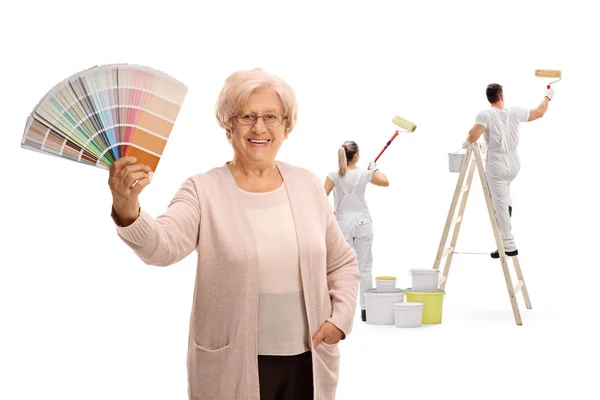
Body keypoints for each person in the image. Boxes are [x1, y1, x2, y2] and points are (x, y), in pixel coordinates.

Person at [108, 68, 359, 400]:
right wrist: (127, 207)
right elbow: (161, 247)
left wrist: (339, 320)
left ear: (287, 126)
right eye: (247, 116)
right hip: (233, 364)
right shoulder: (203, 190)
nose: (259, 127)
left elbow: (341, 262)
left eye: (271, 116)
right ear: (228, 127)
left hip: (309, 359)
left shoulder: (307, 184)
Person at [463, 83, 554, 258]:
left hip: (497, 164)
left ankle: (508, 245)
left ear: (489, 98)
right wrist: (547, 96)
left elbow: (473, 135)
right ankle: (508, 206)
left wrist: (467, 141)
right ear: (501, 96)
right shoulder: (514, 111)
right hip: (513, 163)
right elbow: (539, 112)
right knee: (505, 192)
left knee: (499, 206)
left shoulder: (485, 114)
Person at [323, 141, 389, 322]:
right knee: (365, 268)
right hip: (363, 223)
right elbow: (385, 182)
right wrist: (374, 169)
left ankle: (339, 310)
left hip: (342, 223)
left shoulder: (334, 175)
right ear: (357, 156)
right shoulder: (365, 174)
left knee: (340, 267)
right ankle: (366, 310)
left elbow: (321, 198)